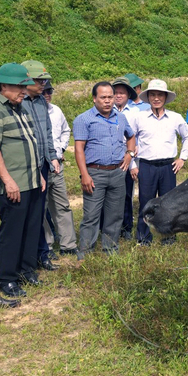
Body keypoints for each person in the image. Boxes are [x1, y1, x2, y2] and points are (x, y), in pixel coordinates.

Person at [0, 63, 43, 298]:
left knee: (30, 228)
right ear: (4, 85)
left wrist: (38, 173)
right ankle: (7, 278)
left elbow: (29, 143)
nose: (24, 91)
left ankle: (26, 271)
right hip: (12, 184)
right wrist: (8, 180)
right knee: (12, 232)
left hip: (31, 180)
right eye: (20, 86)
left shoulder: (20, 107)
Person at [73, 82, 136, 255]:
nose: (108, 101)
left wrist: (129, 153)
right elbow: (79, 149)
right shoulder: (84, 119)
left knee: (115, 215)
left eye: (110, 97)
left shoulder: (120, 117)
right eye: (103, 97)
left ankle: (110, 249)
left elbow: (131, 136)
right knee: (91, 215)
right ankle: (85, 253)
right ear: (94, 99)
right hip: (95, 173)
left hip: (117, 172)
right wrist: (84, 174)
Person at [130, 79, 188, 245]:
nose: (156, 98)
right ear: (148, 97)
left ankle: (168, 237)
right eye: (153, 95)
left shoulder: (175, 118)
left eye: (159, 95)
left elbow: (187, 136)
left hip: (168, 166)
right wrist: (133, 164)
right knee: (146, 203)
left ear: (165, 97)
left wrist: (182, 158)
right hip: (146, 166)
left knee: (168, 204)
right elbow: (128, 139)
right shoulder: (139, 117)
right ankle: (143, 238)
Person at [20, 59, 60, 272]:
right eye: (39, 79)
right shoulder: (18, 102)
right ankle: (27, 257)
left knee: (38, 211)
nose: (43, 83)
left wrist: (52, 156)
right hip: (25, 166)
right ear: (26, 80)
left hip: (43, 164)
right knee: (26, 213)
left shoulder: (41, 102)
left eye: (45, 79)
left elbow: (46, 133)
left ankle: (42, 254)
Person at [42, 81, 82, 258]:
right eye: (44, 91)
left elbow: (66, 131)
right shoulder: (28, 111)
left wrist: (62, 149)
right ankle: (47, 245)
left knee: (62, 205)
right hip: (41, 166)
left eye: (50, 91)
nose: (47, 94)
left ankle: (68, 244)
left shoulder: (56, 111)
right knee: (41, 209)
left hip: (58, 165)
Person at [112, 76, 139, 240]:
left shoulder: (136, 113)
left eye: (122, 93)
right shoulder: (106, 110)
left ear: (128, 95)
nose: (118, 96)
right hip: (110, 160)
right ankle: (109, 227)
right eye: (116, 92)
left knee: (127, 193)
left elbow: (138, 138)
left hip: (129, 160)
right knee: (110, 195)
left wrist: (133, 162)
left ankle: (126, 227)